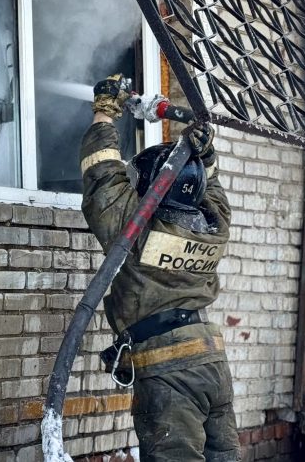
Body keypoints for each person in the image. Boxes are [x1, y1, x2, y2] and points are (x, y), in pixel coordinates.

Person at [81, 74, 238, 462]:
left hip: (169, 369)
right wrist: (204, 155)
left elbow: (102, 175)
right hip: (212, 362)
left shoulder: (135, 230)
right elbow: (211, 187)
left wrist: (104, 114)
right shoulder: (214, 225)